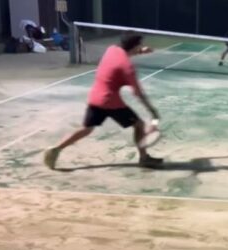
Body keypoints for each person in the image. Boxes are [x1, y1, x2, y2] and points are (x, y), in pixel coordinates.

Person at [43, 32, 162, 170]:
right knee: (139, 125)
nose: (141, 46)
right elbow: (138, 93)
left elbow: (123, 55)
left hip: (95, 98)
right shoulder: (127, 67)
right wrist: (152, 111)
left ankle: (56, 149)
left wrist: (140, 51)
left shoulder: (111, 50)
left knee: (86, 129)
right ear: (135, 45)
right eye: (139, 45)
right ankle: (144, 158)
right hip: (111, 102)